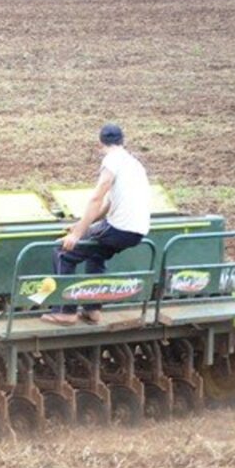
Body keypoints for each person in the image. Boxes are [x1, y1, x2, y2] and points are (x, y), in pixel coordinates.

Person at [41, 123, 151, 326]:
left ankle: (66, 312)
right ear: (122, 141)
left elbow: (97, 198)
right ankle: (93, 310)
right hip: (138, 231)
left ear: (100, 143)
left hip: (119, 227)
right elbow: (109, 204)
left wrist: (75, 235)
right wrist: (81, 226)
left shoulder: (111, 161)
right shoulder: (133, 163)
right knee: (97, 253)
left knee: (62, 252)